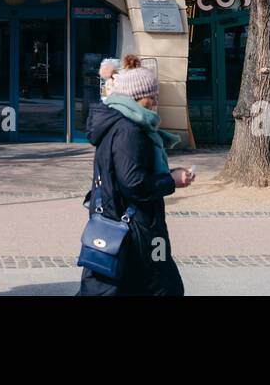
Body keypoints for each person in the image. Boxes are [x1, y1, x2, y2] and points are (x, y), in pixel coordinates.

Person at [79, 67, 193, 296]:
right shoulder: (129, 130)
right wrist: (170, 180)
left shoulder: (117, 124)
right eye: (153, 95)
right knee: (164, 288)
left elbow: (129, 171)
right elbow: (133, 183)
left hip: (119, 223)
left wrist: (168, 174)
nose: (156, 100)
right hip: (133, 227)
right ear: (140, 96)